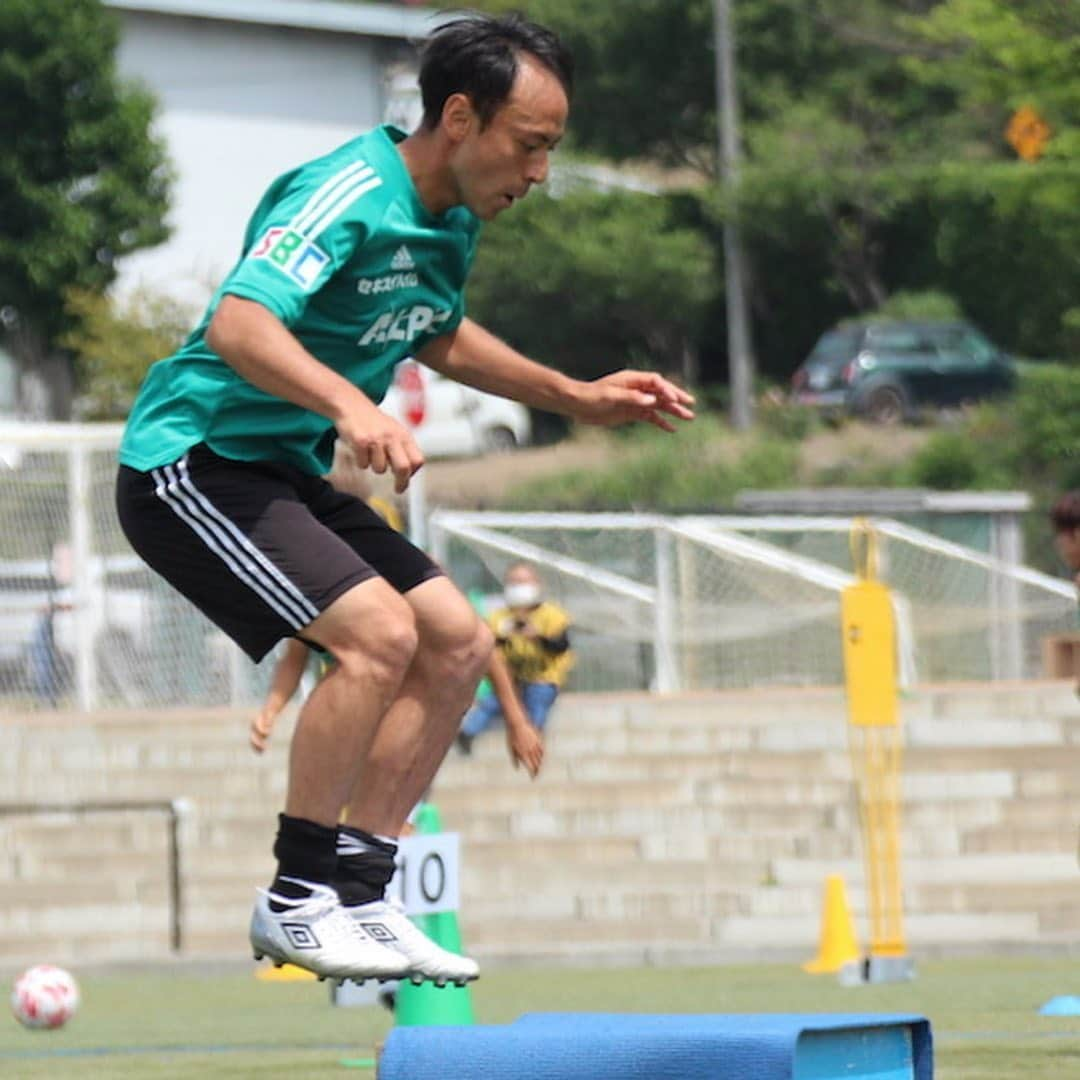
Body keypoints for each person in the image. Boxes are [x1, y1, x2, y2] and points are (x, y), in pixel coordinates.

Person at [115, 12, 693, 988]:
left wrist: (575, 395)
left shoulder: (454, 219)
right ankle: (295, 900)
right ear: (460, 118)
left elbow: (436, 330)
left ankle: (365, 892)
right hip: (191, 462)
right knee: (379, 634)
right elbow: (239, 323)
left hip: (282, 469)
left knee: (459, 642)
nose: (541, 172)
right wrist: (348, 404)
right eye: (532, 144)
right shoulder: (348, 191)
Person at [457, 562, 572, 759]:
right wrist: (503, 635)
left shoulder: (553, 615)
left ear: (537, 584)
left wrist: (538, 636)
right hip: (511, 681)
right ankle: (467, 734)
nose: (519, 587)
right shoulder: (498, 618)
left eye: (524, 582)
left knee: (538, 700)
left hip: (542, 679)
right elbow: (486, 649)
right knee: (491, 703)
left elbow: (561, 646)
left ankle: (533, 738)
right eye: (514, 582)